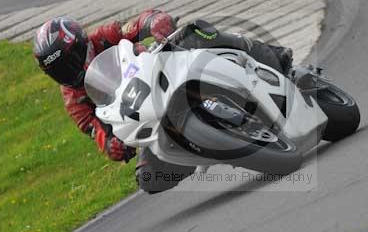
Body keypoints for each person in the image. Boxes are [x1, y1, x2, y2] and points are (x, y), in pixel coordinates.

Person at [33, 10, 293, 193]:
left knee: (197, 33)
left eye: (71, 59)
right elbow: (97, 132)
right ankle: (208, 146)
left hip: (164, 73)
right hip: (150, 119)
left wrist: (155, 21)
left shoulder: (103, 37)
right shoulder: (74, 101)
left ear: (81, 43)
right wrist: (112, 145)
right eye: (60, 70)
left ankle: (272, 57)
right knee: (148, 178)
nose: (70, 70)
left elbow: (137, 23)